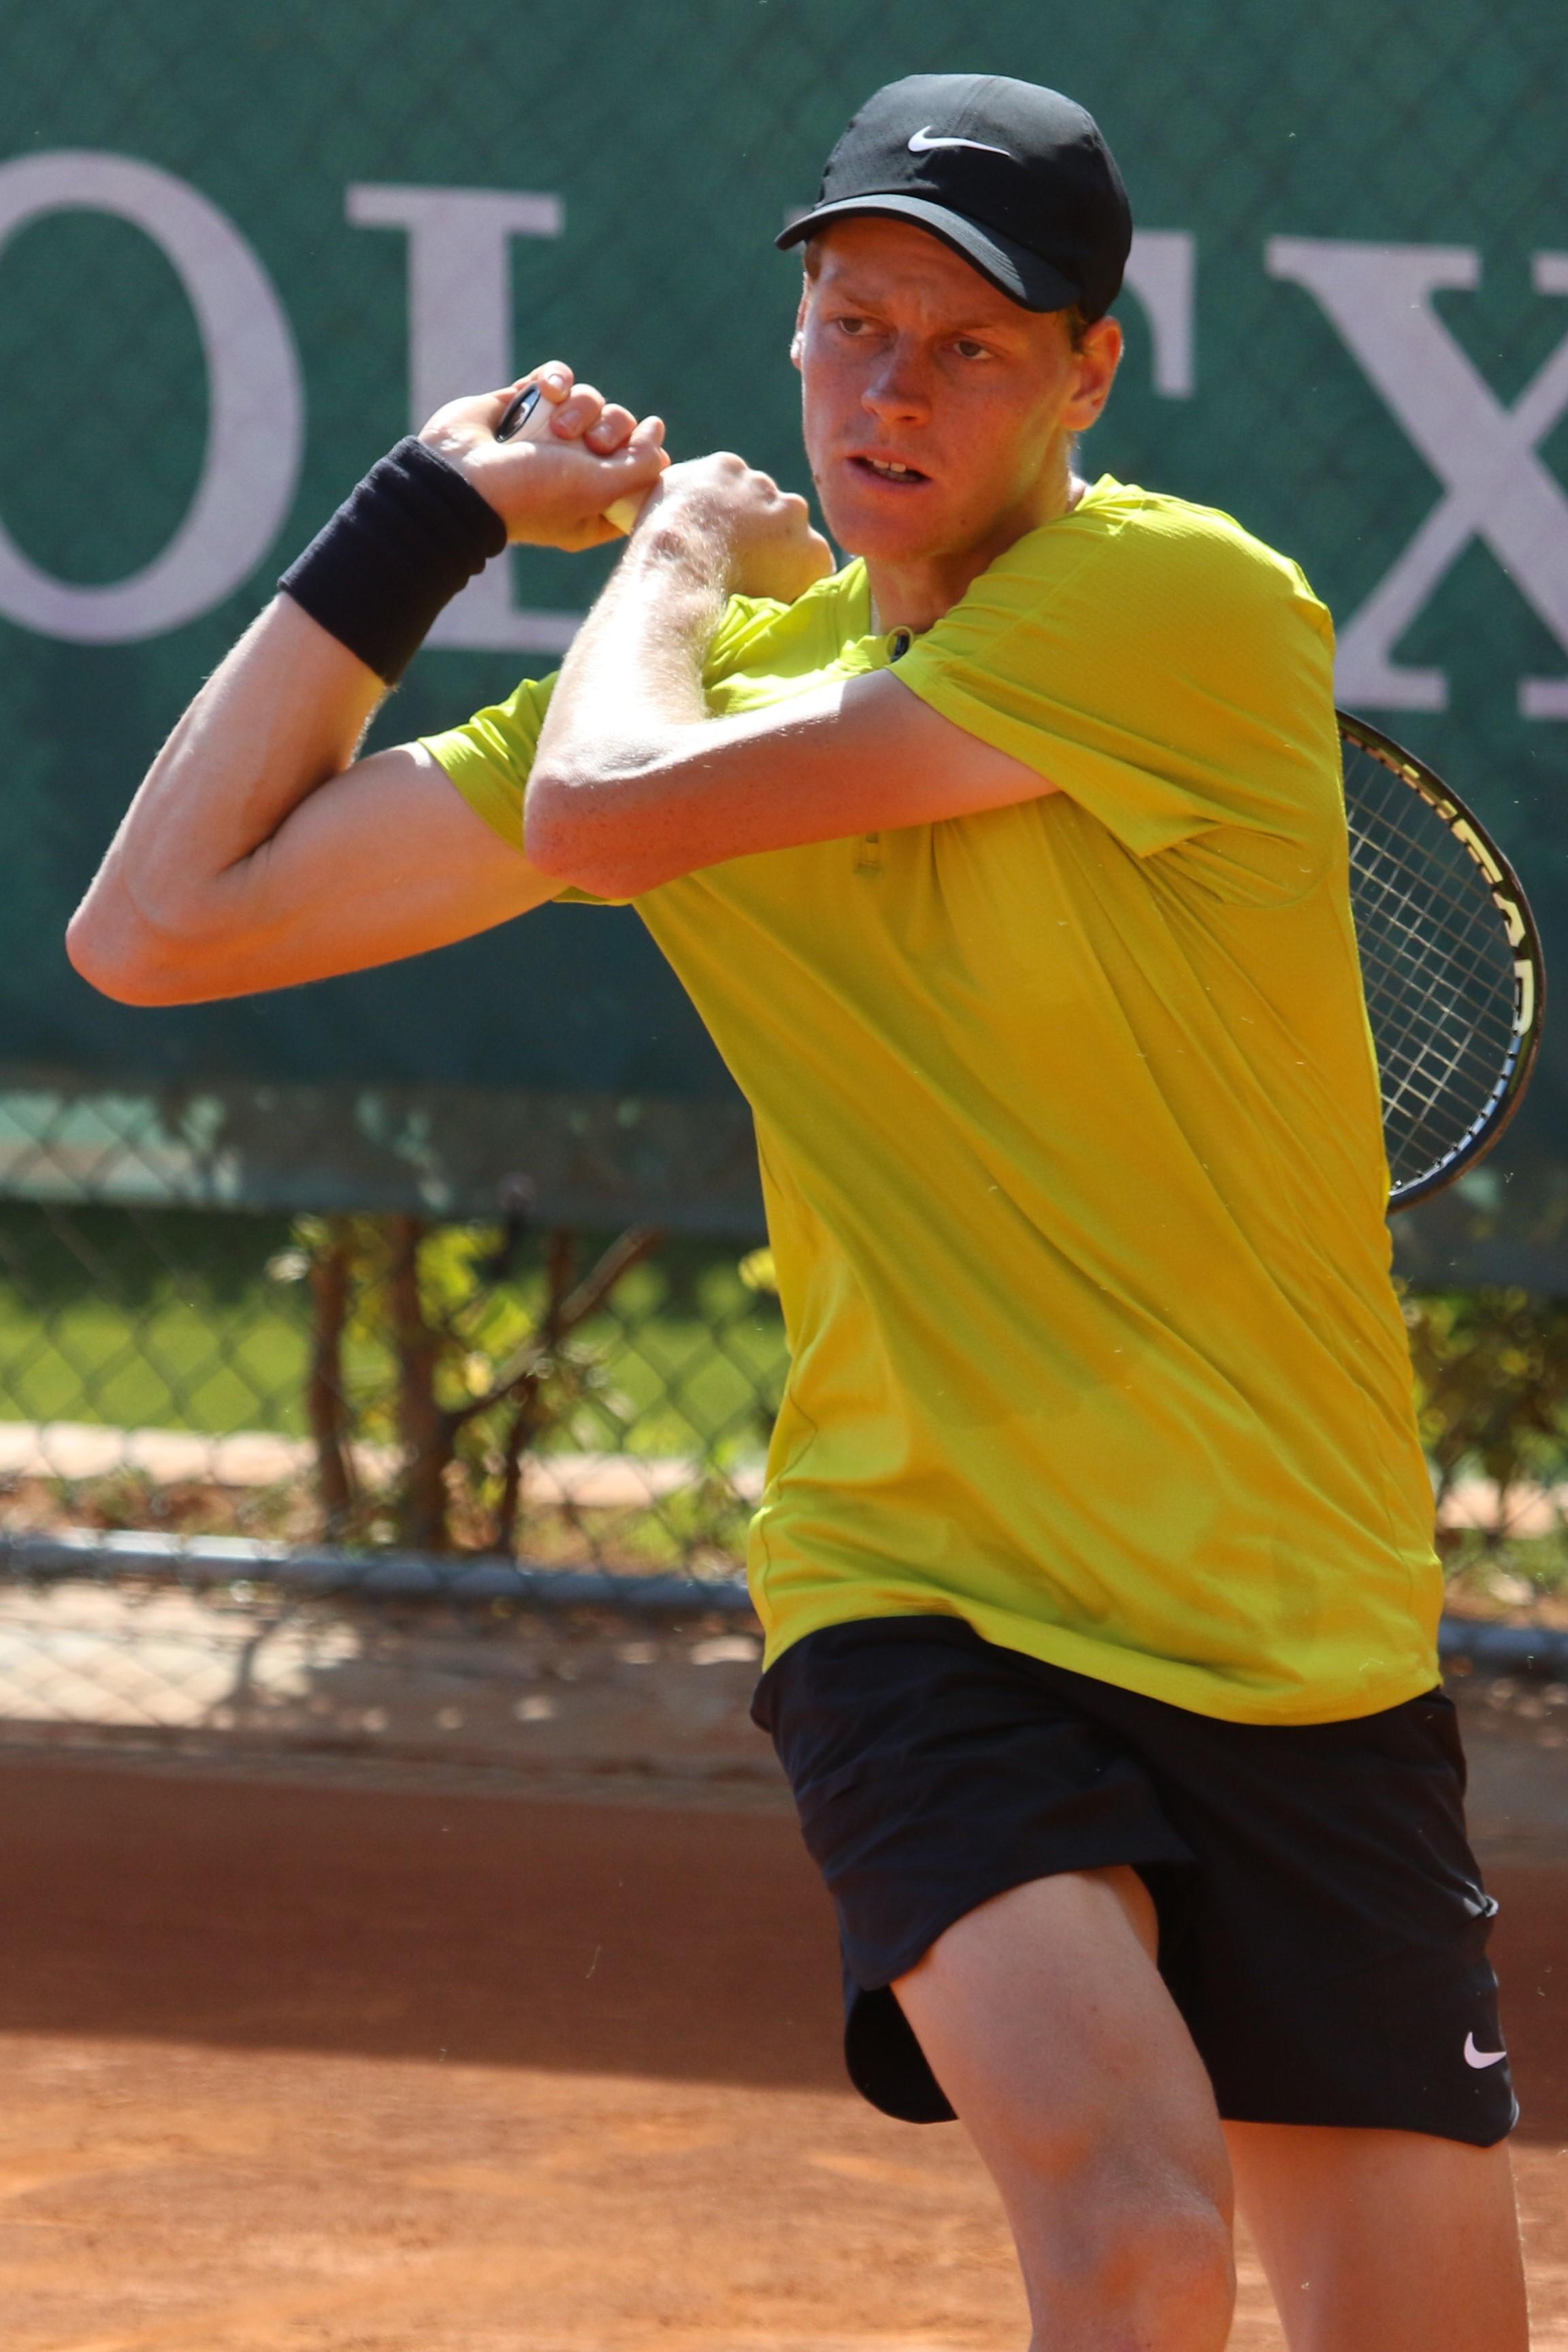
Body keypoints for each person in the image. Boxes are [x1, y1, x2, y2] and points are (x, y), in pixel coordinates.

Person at [68, 70, 1528, 2352]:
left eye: (968, 343)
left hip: (1301, 1626)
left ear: (1089, 373)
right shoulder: (689, 691)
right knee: (1138, 2235)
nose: (894, 388)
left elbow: (619, 812)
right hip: (923, 1597)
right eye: (854, 324)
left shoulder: (1176, 600)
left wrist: (652, 571)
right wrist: (426, 505)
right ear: (796, 343)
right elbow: (156, 927)